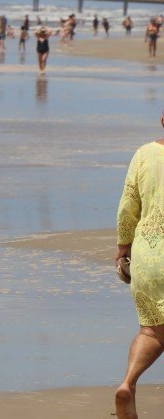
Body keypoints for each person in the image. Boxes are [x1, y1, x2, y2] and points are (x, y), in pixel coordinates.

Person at [115, 112, 164, 418]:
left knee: (151, 332)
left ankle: (128, 383)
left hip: (148, 253)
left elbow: (128, 204)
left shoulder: (144, 154)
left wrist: (122, 247)